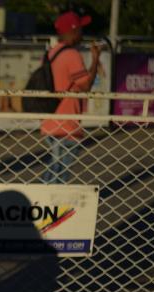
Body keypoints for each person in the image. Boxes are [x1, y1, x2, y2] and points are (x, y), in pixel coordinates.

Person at [40, 11, 100, 184]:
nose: (83, 33)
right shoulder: (72, 55)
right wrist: (95, 59)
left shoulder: (52, 53)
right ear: (73, 30)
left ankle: (41, 202)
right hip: (67, 123)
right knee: (60, 173)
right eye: (81, 29)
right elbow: (86, 85)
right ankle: (48, 205)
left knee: (55, 167)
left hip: (51, 118)